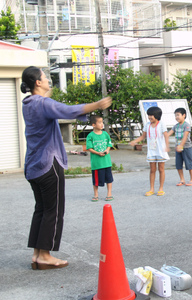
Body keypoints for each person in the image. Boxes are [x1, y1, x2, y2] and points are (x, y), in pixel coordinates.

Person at [21, 66, 112, 270]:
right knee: (53, 210)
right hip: (48, 164)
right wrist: (97, 104)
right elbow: (69, 110)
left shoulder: (28, 103)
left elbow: (53, 108)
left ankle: (37, 253)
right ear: (37, 82)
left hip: (33, 165)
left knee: (41, 209)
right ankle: (44, 255)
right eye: (45, 78)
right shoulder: (43, 103)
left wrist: (47, 95)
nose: (47, 81)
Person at [129, 106, 169, 196]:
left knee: (161, 169)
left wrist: (167, 146)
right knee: (152, 170)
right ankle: (151, 189)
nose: (150, 117)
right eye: (149, 115)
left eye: (152, 115)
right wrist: (135, 141)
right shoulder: (147, 125)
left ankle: (161, 188)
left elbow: (166, 135)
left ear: (157, 115)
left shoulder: (161, 124)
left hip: (160, 150)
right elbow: (143, 136)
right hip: (151, 150)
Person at [86, 115, 114, 202]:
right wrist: (98, 153)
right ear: (93, 125)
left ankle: (109, 193)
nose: (102, 124)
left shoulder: (105, 134)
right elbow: (89, 148)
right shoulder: (90, 136)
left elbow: (109, 144)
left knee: (109, 179)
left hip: (106, 162)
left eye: (102, 122)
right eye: (100, 122)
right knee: (96, 181)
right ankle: (96, 194)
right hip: (97, 164)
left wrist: (107, 150)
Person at [167, 108, 192, 186]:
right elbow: (168, 134)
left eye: (178, 115)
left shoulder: (186, 125)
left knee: (189, 163)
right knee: (178, 164)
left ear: (184, 115)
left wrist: (181, 145)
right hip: (178, 148)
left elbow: (185, 136)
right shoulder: (175, 126)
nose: (176, 117)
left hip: (186, 147)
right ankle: (182, 180)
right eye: (175, 115)